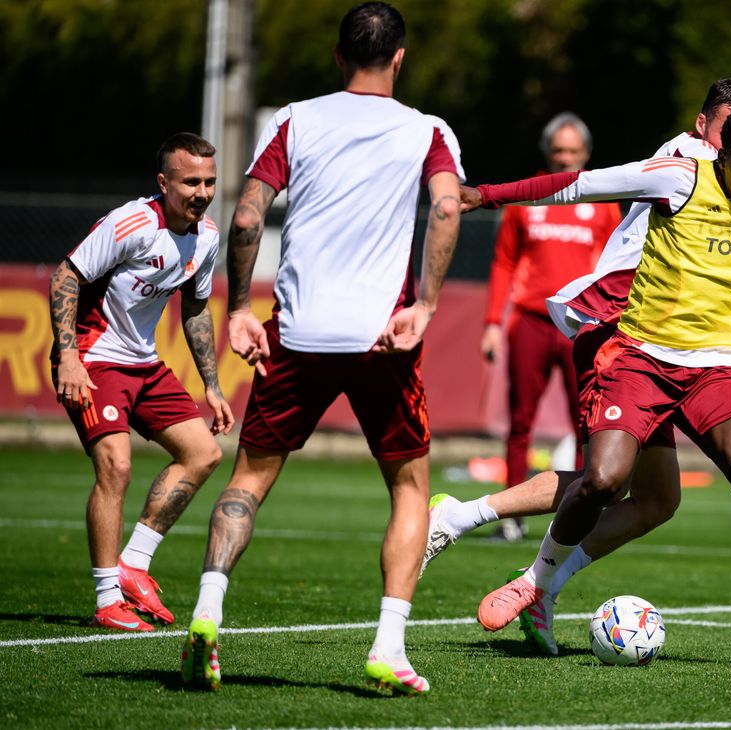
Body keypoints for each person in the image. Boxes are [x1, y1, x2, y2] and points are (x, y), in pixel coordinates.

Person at [424, 80, 731, 667]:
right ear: (706, 129)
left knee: (658, 500)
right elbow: (583, 185)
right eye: (728, 132)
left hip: (710, 360)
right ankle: (527, 573)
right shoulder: (679, 165)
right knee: (604, 482)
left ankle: (502, 553)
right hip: (620, 329)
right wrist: (488, 195)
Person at [179, 2, 462, 695]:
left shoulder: (294, 119)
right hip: (380, 339)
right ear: (400, 58)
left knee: (249, 479)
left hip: (297, 334)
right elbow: (449, 207)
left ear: (339, 57)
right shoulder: (427, 129)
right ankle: (388, 648)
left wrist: (241, 307)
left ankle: (207, 612)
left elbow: (246, 215)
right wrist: (424, 305)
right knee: (409, 488)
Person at [47, 132, 233, 632]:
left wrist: (211, 386)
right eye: (190, 181)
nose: (202, 191)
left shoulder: (208, 235)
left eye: (210, 182)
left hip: (143, 364)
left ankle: (134, 564)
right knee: (117, 466)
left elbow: (195, 308)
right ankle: (109, 598)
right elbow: (66, 275)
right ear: (163, 182)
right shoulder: (132, 223)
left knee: (204, 453)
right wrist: (68, 356)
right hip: (93, 358)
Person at [481, 112, 622, 542]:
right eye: (559, 151)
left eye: (573, 152)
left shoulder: (603, 202)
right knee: (520, 421)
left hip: (582, 325)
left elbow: (617, 265)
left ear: (586, 155)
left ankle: (585, 508)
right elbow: (504, 261)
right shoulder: (531, 199)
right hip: (530, 321)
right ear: (548, 153)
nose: (565, 159)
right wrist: (491, 322)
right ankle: (512, 518)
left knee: (589, 419)